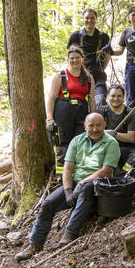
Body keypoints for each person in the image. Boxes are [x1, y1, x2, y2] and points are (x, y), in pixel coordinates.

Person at [15, 113, 120, 262]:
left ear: (104, 125)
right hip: (75, 184)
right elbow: (68, 169)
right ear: (85, 126)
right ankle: (35, 244)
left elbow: (105, 171)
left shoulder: (111, 143)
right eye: (91, 125)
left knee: (87, 188)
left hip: (98, 185)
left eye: (98, 125)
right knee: (48, 204)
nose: (95, 129)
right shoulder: (77, 141)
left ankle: (70, 233)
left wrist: (82, 183)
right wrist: (68, 191)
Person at [45, 45, 96, 177]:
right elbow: (51, 98)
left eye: (77, 58)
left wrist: (94, 117)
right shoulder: (61, 76)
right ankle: (61, 178)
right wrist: (49, 118)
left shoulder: (89, 77)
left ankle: (78, 175)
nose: (75, 60)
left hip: (81, 112)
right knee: (62, 144)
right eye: (72, 58)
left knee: (80, 142)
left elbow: (91, 100)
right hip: (63, 112)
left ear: (82, 58)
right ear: (68, 59)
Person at [67, 9, 111, 107]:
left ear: (96, 19)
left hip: (98, 75)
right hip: (79, 75)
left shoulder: (103, 37)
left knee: (100, 100)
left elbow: (107, 56)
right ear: (83, 19)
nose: (89, 21)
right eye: (87, 18)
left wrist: (102, 68)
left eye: (92, 18)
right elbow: (69, 56)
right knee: (79, 103)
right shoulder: (76, 36)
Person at [97, 84, 135, 173]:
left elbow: (131, 138)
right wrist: (105, 133)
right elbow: (95, 133)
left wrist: (114, 134)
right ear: (108, 96)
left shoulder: (130, 113)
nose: (116, 99)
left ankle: (122, 176)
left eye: (119, 96)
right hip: (106, 147)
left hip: (125, 148)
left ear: (123, 97)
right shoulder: (101, 111)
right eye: (113, 96)